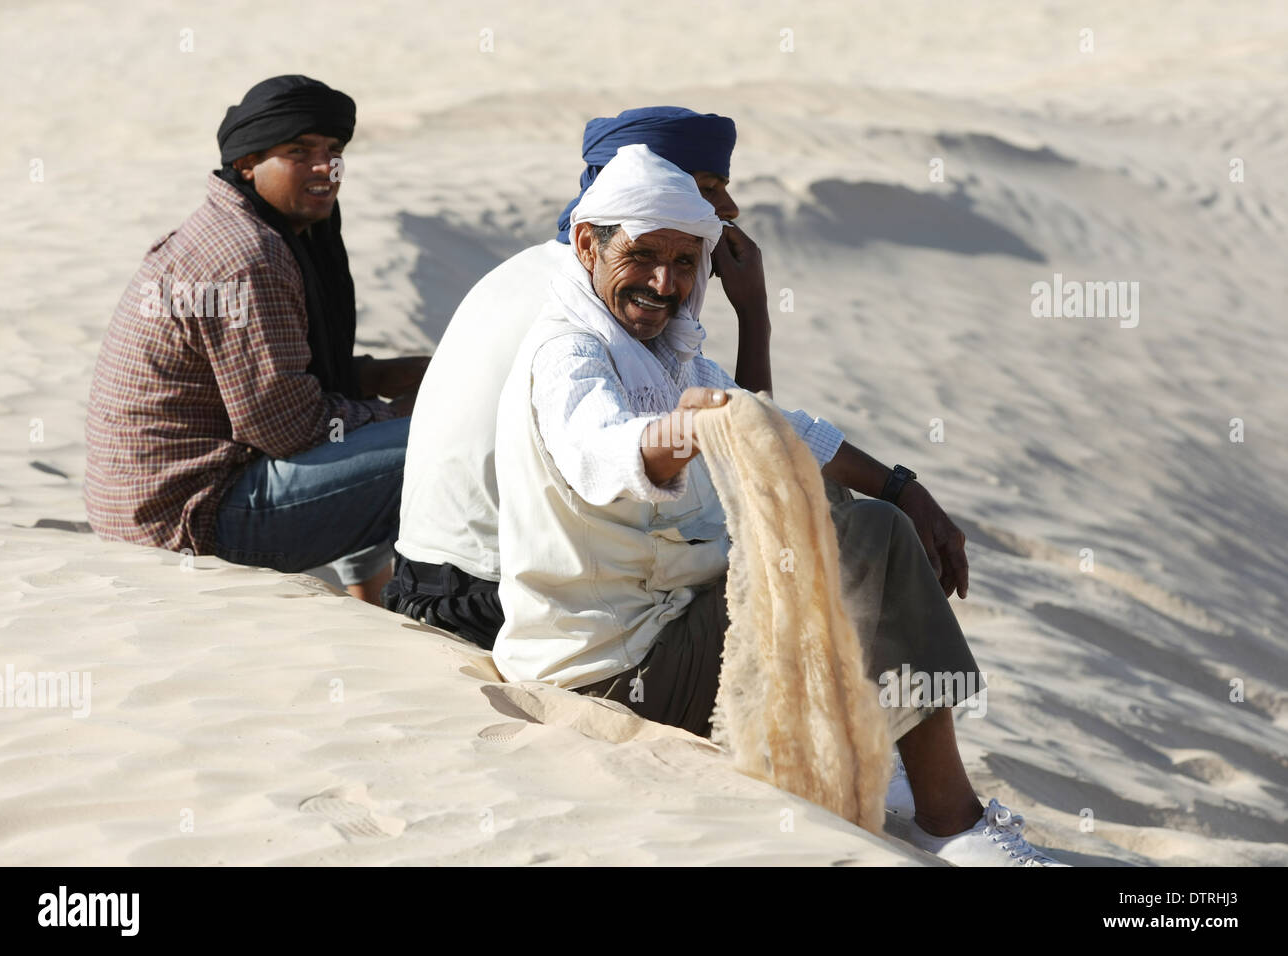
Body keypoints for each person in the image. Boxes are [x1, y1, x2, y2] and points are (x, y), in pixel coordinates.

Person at [493, 144, 1066, 866]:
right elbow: (603, 448)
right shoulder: (569, 352)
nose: (664, 283)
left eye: (683, 262)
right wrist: (687, 428)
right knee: (873, 540)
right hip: (610, 672)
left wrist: (901, 484)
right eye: (642, 258)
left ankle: (878, 754)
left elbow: (780, 426)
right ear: (587, 244)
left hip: (663, 635)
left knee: (834, 502)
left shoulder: (665, 350)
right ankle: (950, 822)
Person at [387, 106, 775, 641]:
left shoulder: (557, 267)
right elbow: (744, 462)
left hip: (434, 577)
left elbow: (743, 427)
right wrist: (754, 312)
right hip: (490, 593)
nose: (729, 208)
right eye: (707, 187)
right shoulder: (592, 297)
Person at [84, 75, 427, 604]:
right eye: (298, 151)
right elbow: (288, 426)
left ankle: (372, 594)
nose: (325, 167)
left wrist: (374, 375)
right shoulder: (244, 256)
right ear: (247, 163)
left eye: (333, 151)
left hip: (177, 504)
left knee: (389, 427)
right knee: (449, 439)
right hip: (190, 527)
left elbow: (274, 378)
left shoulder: (252, 230)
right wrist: (408, 412)